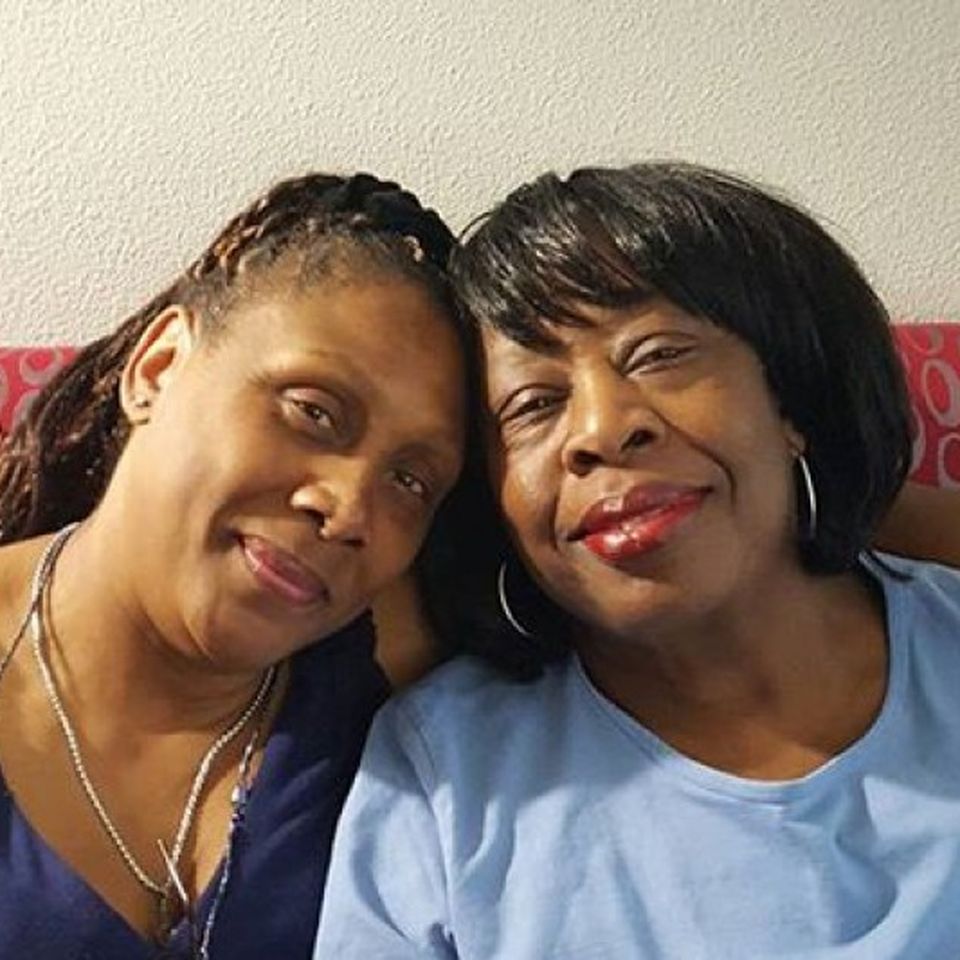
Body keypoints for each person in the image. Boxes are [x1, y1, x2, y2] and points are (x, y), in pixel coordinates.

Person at [314, 162, 960, 959]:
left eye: (657, 355)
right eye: (533, 405)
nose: (602, 429)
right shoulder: (441, 774)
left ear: (791, 399)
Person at [0, 172, 474, 959]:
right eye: (313, 411)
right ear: (158, 368)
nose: (349, 509)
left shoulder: (390, 682)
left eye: (410, 480)